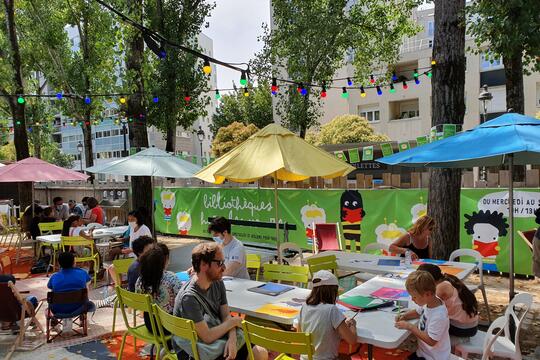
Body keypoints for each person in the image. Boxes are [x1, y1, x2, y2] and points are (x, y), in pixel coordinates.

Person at [173, 242, 267, 360]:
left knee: (260, 353)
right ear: (203, 265)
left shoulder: (217, 282)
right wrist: (233, 322)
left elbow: (226, 315)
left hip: (213, 339)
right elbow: (207, 336)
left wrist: (232, 339)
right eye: (220, 263)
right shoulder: (189, 298)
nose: (224, 267)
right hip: (193, 350)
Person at [296, 270, 357, 360]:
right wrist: (352, 325)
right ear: (331, 291)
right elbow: (352, 340)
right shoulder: (332, 310)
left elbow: (300, 335)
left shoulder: (304, 306)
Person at [395, 270, 451, 360]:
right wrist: (405, 316)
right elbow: (418, 312)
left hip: (434, 357)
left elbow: (431, 341)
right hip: (424, 353)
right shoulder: (430, 302)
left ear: (427, 294)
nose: (412, 299)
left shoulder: (439, 315)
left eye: (414, 297)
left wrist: (410, 327)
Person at [417, 264, 478, 340]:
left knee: (425, 323)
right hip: (471, 325)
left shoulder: (440, 288)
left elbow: (424, 307)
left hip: (463, 329)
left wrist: (406, 316)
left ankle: (429, 346)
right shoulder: (447, 279)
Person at [136, 243, 182, 334]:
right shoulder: (172, 278)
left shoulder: (140, 280)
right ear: (164, 261)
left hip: (150, 324)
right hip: (169, 327)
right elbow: (182, 301)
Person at [47, 251, 96, 316]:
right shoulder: (82, 273)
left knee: (54, 290)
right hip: (79, 307)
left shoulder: (54, 276)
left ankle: (54, 320)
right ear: (74, 262)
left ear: (59, 264)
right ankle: (82, 317)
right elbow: (89, 282)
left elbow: (50, 287)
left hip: (57, 310)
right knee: (85, 286)